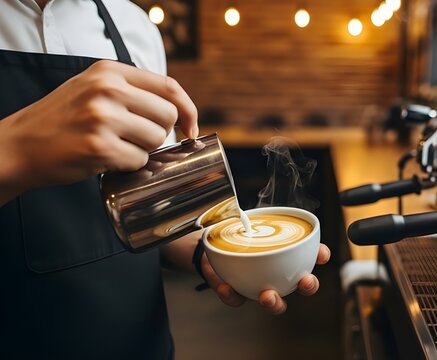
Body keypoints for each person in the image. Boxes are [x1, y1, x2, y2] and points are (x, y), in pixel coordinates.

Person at [0, 1, 331, 358]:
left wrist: (211, 254)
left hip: (143, 343)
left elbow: (152, 207)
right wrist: (17, 148)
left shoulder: (134, 25)